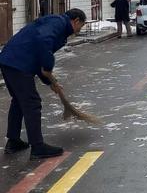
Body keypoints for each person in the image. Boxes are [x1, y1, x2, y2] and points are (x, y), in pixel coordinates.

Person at [0, 9, 86, 160]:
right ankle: (38, 147)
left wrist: (49, 81)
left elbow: (40, 56)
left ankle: (13, 142)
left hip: (10, 60)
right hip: (18, 62)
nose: (79, 31)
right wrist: (48, 67)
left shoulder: (56, 24)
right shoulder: (58, 23)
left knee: (19, 101)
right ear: (76, 21)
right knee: (32, 103)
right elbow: (43, 42)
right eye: (81, 26)